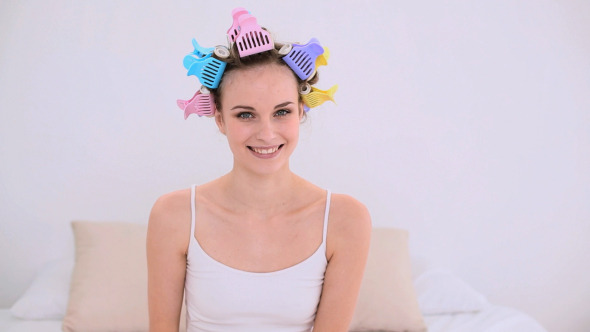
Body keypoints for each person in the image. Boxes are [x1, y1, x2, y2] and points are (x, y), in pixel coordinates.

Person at [147, 8, 371, 332]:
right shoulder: (174, 215)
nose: (267, 133)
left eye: (282, 111)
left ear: (301, 112)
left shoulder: (345, 221)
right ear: (220, 119)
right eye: (246, 115)